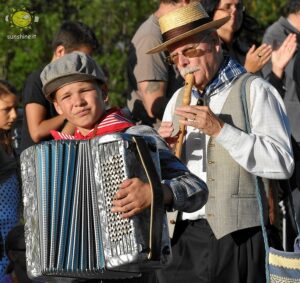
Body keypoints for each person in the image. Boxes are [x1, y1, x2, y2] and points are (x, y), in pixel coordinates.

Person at [147, 3, 294, 282]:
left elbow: (282, 163)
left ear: (214, 42)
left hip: (237, 238)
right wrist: (161, 152)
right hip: (181, 238)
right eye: (174, 56)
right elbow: (169, 175)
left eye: (189, 50)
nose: (182, 62)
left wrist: (221, 130)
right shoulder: (176, 100)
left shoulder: (255, 91)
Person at [39, 51, 208, 283]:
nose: (77, 101)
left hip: (133, 273)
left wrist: (156, 192)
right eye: (66, 96)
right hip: (77, 273)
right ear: (58, 107)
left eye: (85, 90)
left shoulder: (137, 136)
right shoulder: (57, 157)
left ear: (104, 93)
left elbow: (197, 188)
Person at [20, 21, 100, 152]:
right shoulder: (36, 80)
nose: (83, 63)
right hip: (38, 162)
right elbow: (36, 132)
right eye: (79, 57)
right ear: (60, 51)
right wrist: (73, 114)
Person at [127, 0, 201, 129]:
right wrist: (200, 114)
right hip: (162, 140)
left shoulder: (168, 29)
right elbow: (154, 105)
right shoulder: (151, 37)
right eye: (200, 2)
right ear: (186, 1)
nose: (202, 6)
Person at [200, 0, 272, 73]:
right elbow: (218, 84)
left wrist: (277, 69)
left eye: (238, 6)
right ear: (212, 11)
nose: (234, 11)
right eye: (227, 7)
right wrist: (247, 70)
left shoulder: (245, 46)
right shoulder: (207, 50)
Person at [0, 80, 21, 278]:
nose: (14, 115)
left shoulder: (7, 139)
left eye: (16, 107)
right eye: (7, 109)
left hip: (10, 227)